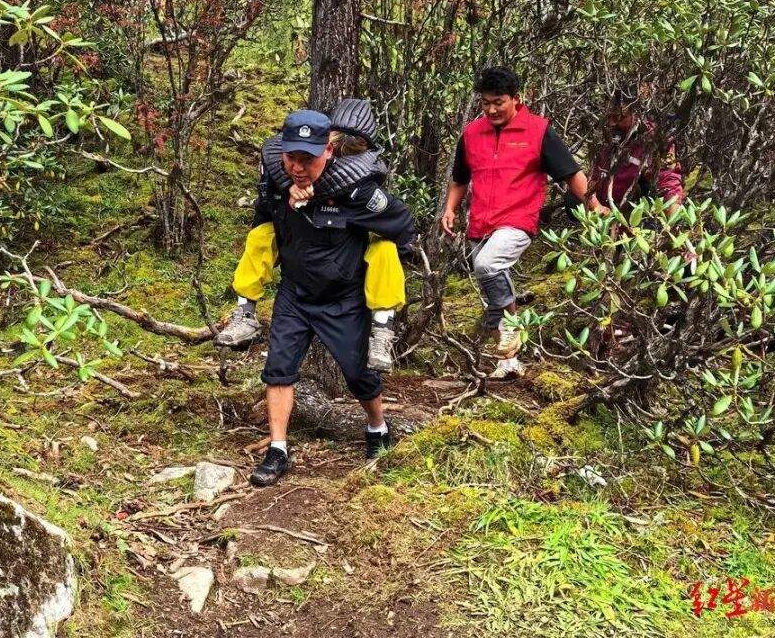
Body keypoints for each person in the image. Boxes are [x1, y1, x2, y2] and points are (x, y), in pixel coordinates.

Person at [236, 109, 415, 486]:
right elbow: (262, 221)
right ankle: (278, 449)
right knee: (279, 369)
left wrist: (371, 253)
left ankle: (377, 427)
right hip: (295, 292)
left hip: (343, 297)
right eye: (292, 157)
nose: (298, 167)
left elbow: (402, 224)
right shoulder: (275, 181)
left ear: (328, 152)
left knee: (359, 373)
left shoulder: (358, 191)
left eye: (308, 159)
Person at [215, 100, 407, 372]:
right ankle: (245, 312)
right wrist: (291, 187)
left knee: (384, 247)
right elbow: (280, 159)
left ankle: (382, 328)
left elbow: (398, 220)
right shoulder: (294, 155)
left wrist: (318, 194)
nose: (298, 166)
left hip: (348, 261)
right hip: (298, 256)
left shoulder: (363, 179)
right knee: (261, 235)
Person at [440, 66, 604, 379]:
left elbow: (570, 173)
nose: (491, 110)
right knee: (492, 288)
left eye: (498, 102)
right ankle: (509, 362)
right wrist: (450, 209)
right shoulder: (472, 134)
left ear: (517, 98)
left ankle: (513, 327)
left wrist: (594, 206)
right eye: (485, 103)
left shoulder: (538, 131)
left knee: (488, 265)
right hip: (480, 223)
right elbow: (460, 177)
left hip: (518, 220)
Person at [587, 94, 684, 211]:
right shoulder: (605, 133)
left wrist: (672, 218)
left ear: (636, 111)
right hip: (600, 205)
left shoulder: (654, 140)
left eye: (618, 117)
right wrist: (595, 205)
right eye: (609, 116)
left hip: (631, 209)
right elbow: (594, 175)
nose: (611, 123)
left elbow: (669, 181)